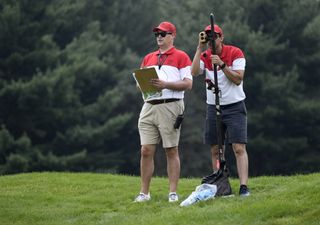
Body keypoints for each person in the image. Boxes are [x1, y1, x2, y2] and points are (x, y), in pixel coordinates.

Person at [134, 21, 193, 202]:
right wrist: (142, 84)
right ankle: (144, 193)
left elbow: (188, 84)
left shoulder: (181, 56)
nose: (159, 37)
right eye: (157, 34)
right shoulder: (148, 57)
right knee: (145, 150)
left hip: (171, 105)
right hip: (149, 105)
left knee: (171, 150)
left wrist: (165, 84)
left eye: (163, 33)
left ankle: (173, 192)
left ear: (172, 36)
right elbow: (139, 84)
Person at [191, 24, 250, 196]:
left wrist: (223, 65)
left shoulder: (235, 53)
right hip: (213, 106)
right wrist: (199, 48)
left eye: (214, 36)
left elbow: (238, 79)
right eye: (208, 37)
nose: (211, 40)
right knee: (216, 149)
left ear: (221, 37)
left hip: (234, 105)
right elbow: (194, 72)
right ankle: (221, 183)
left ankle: (243, 186)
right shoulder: (204, 54)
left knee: (238, 147)